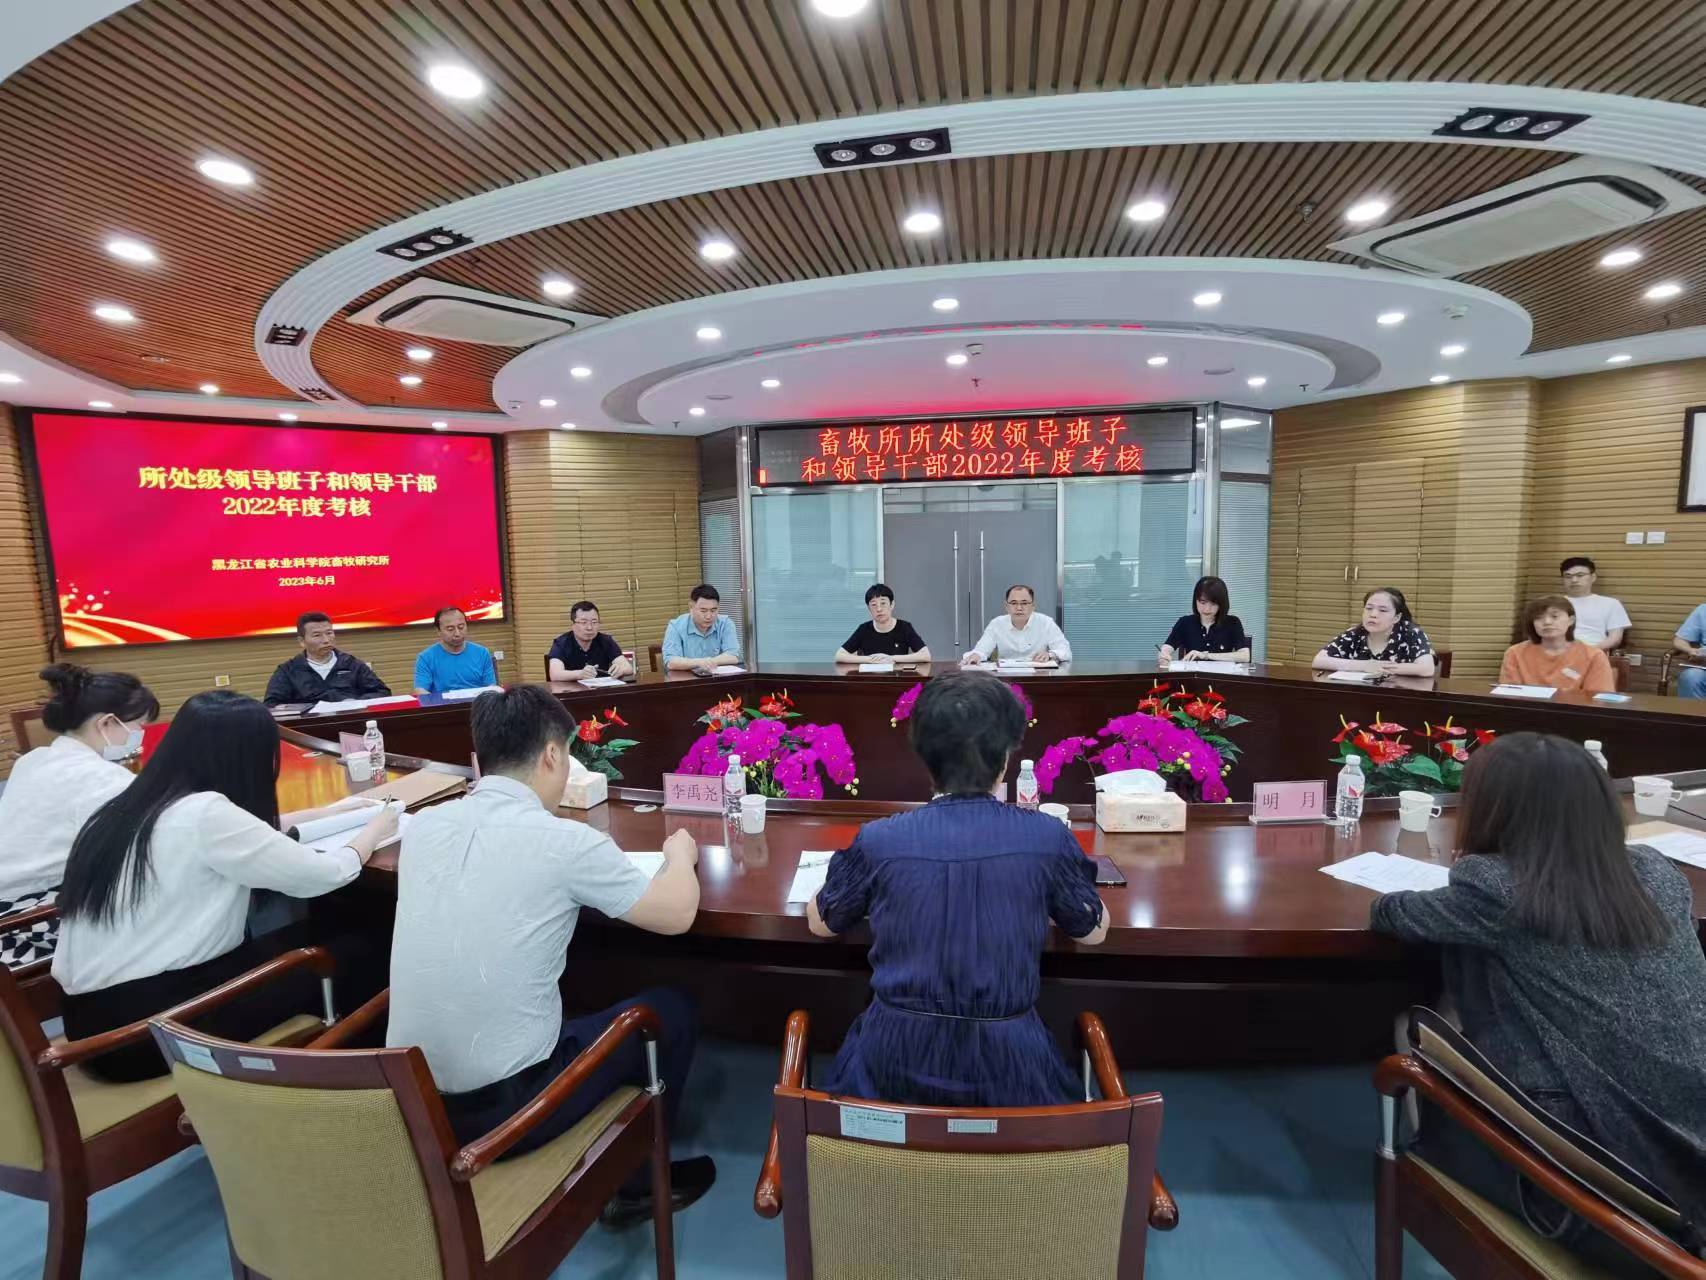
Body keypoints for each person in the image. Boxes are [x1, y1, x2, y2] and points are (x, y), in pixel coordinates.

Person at [388, 685, 714, 1227]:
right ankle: (637, 1185)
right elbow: (677, 913)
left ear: (479, 759)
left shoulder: (424, 828)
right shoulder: (563, 841)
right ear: (551, 756)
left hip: (410, 1104)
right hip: (505, 1112)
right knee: (671, 1011)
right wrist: (679, 855)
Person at [1371, 733, 1706, 1260]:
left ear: (1495, 811)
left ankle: (1431, 1154)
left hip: (1601, 1194)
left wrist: (1464, 872)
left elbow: (1391, 913)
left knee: (1413, 1024)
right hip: (1691, 1169)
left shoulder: (1496, 885)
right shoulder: (1658, 873)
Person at [52, 690, 396, 1081]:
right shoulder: (206, 814)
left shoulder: (130, 803)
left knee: (321, 930)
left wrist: (332, 812)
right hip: (150, 1032)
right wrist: (375, 830)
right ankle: (362, 1082)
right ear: (246, 757)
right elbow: (325, 874)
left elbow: (244, 833)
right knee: (370, 948)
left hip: (90, 1022)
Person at [807, 671, 1109, 1106]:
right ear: (1005, 759)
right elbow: (1093, 931)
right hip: (1011, 1079)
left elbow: (822, 923)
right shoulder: (1046, 836)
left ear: (925, 756)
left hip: (890, 1074)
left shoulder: (879, 840)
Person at [0, 665, 159, 969]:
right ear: (107, 723)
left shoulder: (32, 760)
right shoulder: (103, 779)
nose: (140, 735)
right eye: (139, 725)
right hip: (30, 919)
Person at [263, 612, 391, 705]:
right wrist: (307, 709)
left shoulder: (352, 664)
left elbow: (382, 692)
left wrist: (355, 702)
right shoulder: (288, 671)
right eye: (317, 635)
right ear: (302, 641)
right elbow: (272, 705)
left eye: (329, 633)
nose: (326, 640)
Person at [1499, 596, 1615, 694]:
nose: (1547, 622)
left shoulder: (1594, 656)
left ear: (1571, 620)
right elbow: (1509, 696)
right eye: (1539, 618)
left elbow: (1598, 700)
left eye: (1554, 616)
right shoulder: (1515, 653)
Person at [1312, 586, 1436, 677]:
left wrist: (1380, 667)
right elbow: (1319, 661)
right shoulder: (1354, 634)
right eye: (1369, 608)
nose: (1373, 614)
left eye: (1383, 610)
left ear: (1397, 617)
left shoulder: (1411, 633)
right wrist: (1366, 665)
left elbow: (1426, 669)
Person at [961, 584, 1072, 666]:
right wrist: (976, 655)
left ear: (1033, 606)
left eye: (1024, 603)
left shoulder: (1046, 623)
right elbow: (981, 650)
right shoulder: (996, 624)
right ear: (1006, 606)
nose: (1019, 608)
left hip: (1038, 676)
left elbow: (1065, 652)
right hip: (1007, 678)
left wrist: (1050, 655)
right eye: (1014, 603)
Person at [1159, 575, 1252, 664]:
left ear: (1222, 604)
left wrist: (1205, 655)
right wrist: (1164, 654)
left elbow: (1245, 656)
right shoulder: (1185, 622)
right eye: (1202, 602)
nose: (1207, 609)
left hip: (1221, 674)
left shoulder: (1233, 622)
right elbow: (1168, 646)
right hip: (1193, 674)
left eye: (1213, 604)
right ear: (1195, 600)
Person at [834, 583, 930, 663]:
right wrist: (870, 659)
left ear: (892, 605)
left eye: (883, 603)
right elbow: (839, 655)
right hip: (870, 677)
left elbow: (925, 655)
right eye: (874, 605)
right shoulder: (863, 629)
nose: (879, 609)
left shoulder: (904, 627)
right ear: (869, 609)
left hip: (897, 677)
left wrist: (892, 658)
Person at [413, 606, 498, 695]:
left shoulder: (482, 653)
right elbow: (420, 691)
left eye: (461, 627)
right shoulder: (426, 658)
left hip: (477, 702)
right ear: (439, 631)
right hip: (442, 703)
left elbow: (491, 688)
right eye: (450, 629)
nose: (457, 633)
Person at [547, 600, 634, 681]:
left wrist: (620, 670)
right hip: (571, 691)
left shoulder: (605, 641)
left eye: (594, 622)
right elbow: (555, 674)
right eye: (584, 622)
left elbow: (628, 668)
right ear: (572, 625)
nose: (589, 627)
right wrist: (580, 674)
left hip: (602, 690)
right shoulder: (561, 643)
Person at [661, 584, 741, 671]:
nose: (708, 616)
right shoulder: (675, 626)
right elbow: (671, 662)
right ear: (691, 607)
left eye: (713, 610)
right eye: (703, 611)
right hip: (687, 678)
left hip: (717, 677)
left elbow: (733, 656)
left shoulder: (725, 623)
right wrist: (700, 662)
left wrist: (708, 662)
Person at [1559, 557, 1630, 652]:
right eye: (1568, 576)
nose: (1574, 580)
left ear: (1593, 577)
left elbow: (1615, 638)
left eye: (1580, 575)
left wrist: (1588, 652)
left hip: (1594, 653)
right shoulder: (1554, 603)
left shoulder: (1611, 603)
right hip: (1558, 652)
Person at [1671, 602, 1706, 699]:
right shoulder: (1703, 609)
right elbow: (1679, 640)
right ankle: (1693, 709)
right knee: (1690, 676)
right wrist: (1690, 650)